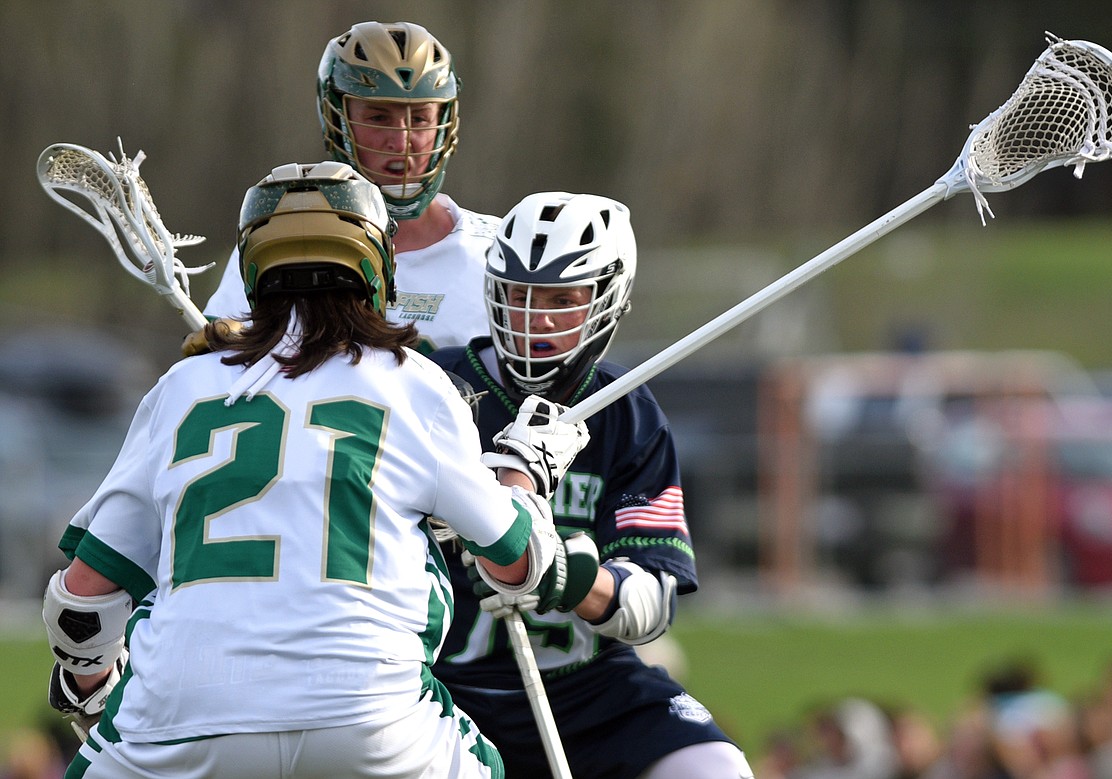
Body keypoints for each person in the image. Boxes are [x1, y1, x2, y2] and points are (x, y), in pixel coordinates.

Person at [41, 162, 591, 779]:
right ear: (378, 265)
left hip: (178, 718)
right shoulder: (417, 383)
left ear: (252, 272)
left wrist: (90, 685)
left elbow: (82, 602)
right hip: (370, 720)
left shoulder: (182, 387)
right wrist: (523, 469)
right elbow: (518, 561)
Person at [429, 191, 754, 778]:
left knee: (715, 768)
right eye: (520, 296)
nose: (536, 320)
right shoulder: (434, 387)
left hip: (588, 688)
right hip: (443, 691)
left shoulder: (625, 411)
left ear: (606, 302)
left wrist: (565, 576)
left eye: (561, 299)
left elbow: (649, 607)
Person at [200, 20, 495, 355]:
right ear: (336, 118)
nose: (401, 141)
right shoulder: (278, 234)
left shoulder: (498, 253)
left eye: (421, 118)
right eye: (378, 117)